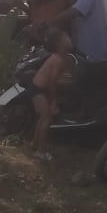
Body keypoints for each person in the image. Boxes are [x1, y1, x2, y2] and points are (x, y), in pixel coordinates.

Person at [30, 27, 73, 161]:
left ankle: (35, 144)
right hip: (39, 89)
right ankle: (40, 151)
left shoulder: (60, 58)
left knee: (42, 117)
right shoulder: (58, 60)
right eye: (67, 38)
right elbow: (52, 83)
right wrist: (53, 101)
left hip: (37, 88)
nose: (70, 40)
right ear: (60, 44)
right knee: (47, 118)